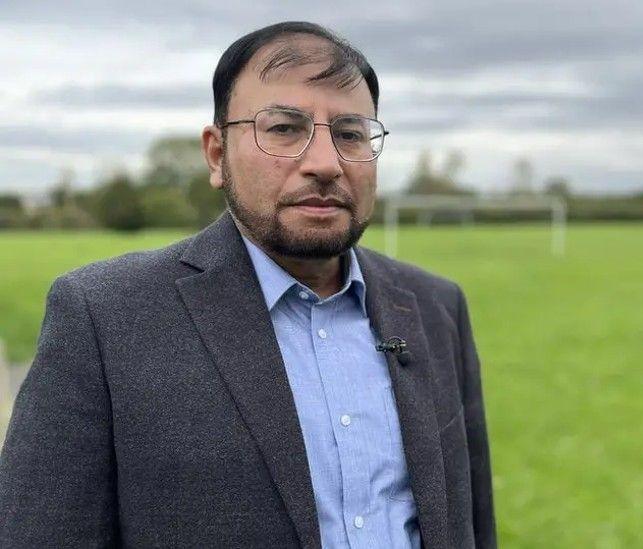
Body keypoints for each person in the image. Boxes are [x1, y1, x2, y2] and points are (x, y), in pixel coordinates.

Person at [0, 21, 495, 549]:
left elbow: (471, 523)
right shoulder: (105, 316)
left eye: (350, 133)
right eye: (283, 128)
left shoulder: (435, 307)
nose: (325, 163)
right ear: (217, 155)